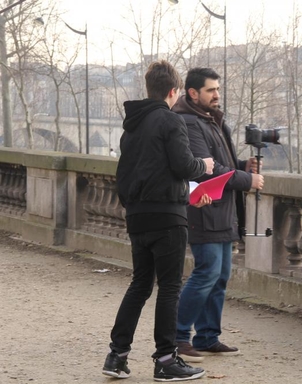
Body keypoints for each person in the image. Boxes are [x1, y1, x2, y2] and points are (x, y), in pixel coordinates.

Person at [102, 60, 215, 381]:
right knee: (169, 288)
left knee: (139, 285)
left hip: (138, 215)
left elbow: (127, 174)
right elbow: (182, 165)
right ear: (173, 92)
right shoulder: (170, 120)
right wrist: (203, 166)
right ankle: (166, 359)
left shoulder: (132, 126)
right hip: (167, 215)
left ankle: (117, 355)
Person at [171, 67, 264, 360]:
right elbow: (205, 170)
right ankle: (178, 336)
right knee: (206, 273)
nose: (217, 95)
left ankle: (208, 336)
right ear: (193, 93)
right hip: (204, 209)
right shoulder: (188, 122)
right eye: (211, 90)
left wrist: (242, 165)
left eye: (218, 89)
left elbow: (222, 163)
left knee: (220, 275)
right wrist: (248, 180)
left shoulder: (211, 120)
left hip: (222, 212)